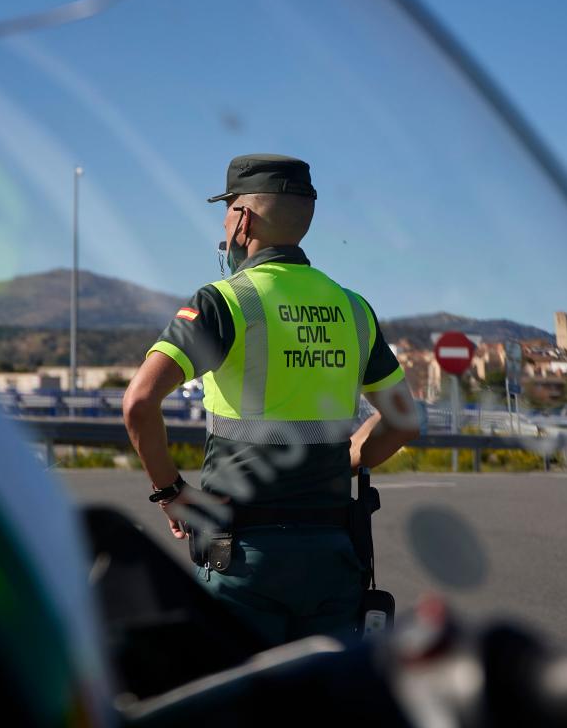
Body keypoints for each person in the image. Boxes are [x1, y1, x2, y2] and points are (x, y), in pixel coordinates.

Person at [123, 153, 419, 647]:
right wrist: (346, 458)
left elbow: (138, 402)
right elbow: (404, 421)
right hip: (333, 558)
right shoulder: (353, 309)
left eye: (227, 210)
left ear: (243, 219)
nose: (224, 224)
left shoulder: (223, 301)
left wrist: (170, 493)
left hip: (243, 559)